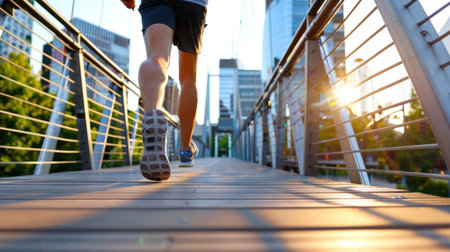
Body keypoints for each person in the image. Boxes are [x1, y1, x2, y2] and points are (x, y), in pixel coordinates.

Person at [121, 0, 207, 181]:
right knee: (188, 79)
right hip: (193, 4)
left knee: (158, 57)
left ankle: (152, 112)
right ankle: (185, 150)